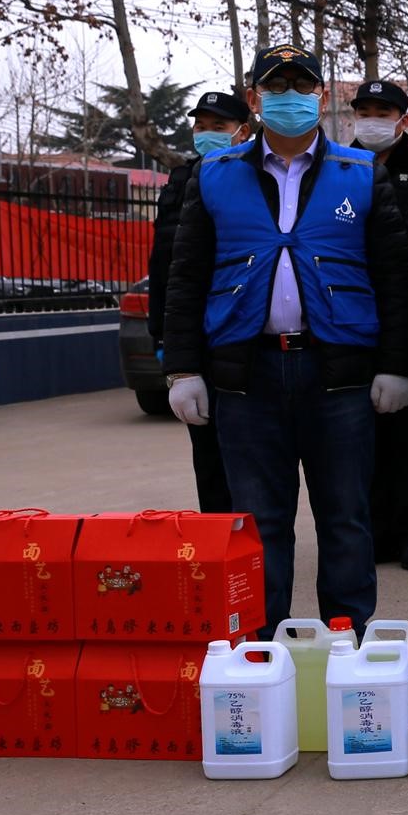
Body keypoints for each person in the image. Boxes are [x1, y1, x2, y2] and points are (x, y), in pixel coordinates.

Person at [162, 43, 408, 635]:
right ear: (254, 100)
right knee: (258, 522)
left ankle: (348, 640)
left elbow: (393, 276)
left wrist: (397, 363)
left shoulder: (361, 174)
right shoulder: (214, 175)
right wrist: (183, 368)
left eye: (302, 86)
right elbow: (187, 276)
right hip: (247, 375)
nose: (290, 97)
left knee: (346, 517)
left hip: (338, 374)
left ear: (321, 97)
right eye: (276, 87)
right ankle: (261, 645)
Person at [348, 79, 408, 571]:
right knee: (360, 439)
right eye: (365, 111)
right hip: (354, 321)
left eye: (383, 112)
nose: (372, 120)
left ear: (403, 118)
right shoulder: (340, 165)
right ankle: (372, 532)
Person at [147, 90, 249, 513]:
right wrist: (163, 336)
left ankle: (258, 536)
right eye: (201, 126)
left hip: (240, 331)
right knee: (207, 448)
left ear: (243, 132)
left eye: (218, 127)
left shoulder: (257, 178)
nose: (207, 134)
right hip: (196, 334)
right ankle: (218, 535)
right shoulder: (181, 180)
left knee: (251, 451)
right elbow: (163, 266)